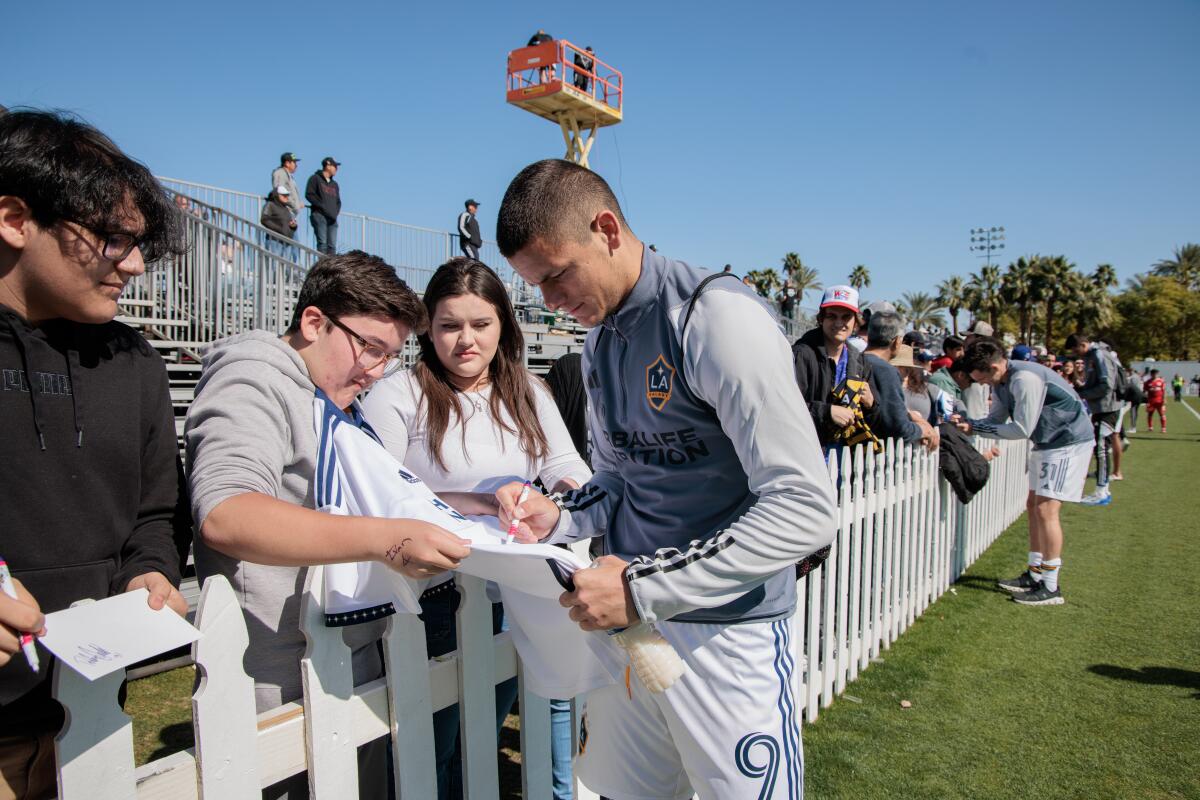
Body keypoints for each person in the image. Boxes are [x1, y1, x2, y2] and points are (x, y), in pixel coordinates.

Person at [493, 158, 836, 800]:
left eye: (558, 274)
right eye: (535, 286)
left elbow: (804, 508)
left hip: (725, 631)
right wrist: (559, 514)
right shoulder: (597, 340)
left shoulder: (714, 316)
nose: (551, 301)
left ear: (608, 229)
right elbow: (620, 475)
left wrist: (644, 587)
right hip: (633, 627)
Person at [186, 251, 471, 799]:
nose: (377, 370)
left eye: (390, 355)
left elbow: (381, 498)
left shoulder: (332, 400)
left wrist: (475, 505)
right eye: (369, 347)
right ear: (314, 323)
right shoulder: (254, 375)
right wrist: (385, 539)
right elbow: (227, 511)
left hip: (340, 661)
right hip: (279, 675)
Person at [0, 109, 192, 800]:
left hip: (90, 727)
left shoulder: (131, 359)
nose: (135, 264)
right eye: (112, 238)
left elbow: (156, 510)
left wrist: (150, 571)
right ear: (15, 218)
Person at [360, 258, 590, 800]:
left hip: (517, 593)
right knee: (428, 742)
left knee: (482, 733)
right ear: (427, 328)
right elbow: (379, 494)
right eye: (449, 325)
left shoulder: (530, 391)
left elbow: (567, 466)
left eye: (481, 324)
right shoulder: (397, 395)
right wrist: (481, 502)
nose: (466, 340)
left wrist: (560, 496)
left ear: (504, 326)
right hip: (431, 592)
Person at [957, 339, 1095, 605]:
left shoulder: (1024, 379)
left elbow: (1021, 429)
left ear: (996, 366)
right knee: (1033, 505)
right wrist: (971, 424)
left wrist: (976, 429)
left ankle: (1051, 587)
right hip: (1049, 442)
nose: (984, 384)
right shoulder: (1002, 380)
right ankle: (1034, 574)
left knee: (1046, 510)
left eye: (984, 378)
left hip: (1068, 442)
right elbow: (996, 420)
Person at [791, 284, 878, 450]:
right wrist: (827, 412)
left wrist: (871, 405)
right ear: (821, 318)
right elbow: (785, 406)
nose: (839, 323)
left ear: (855, 322)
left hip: (845, 462)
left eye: (846, 317)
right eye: (832, 316)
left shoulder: (859, 362)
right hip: (807, 454)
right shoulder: (802, 354)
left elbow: (873, 422)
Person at [863, 310, 938, 451]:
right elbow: (898, 427)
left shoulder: (854, 360)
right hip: (876, 456)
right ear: (897, 341)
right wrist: (922, 430)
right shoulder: (886, 370)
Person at [1065, 333, 1119, 506]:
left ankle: (1101, 491)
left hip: (1108, 407)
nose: (1077, 354)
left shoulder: (1099, 354)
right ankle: (1103, 489)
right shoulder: (1092, 356)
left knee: (1102, 448)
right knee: (1100, 448)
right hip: (1101, 407)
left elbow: (1106, 385)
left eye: (1076, 349)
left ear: (1083, 344)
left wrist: (1083, 394)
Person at [304, 157, 341, 255]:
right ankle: (323, 267)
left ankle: (331, 268)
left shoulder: (335, 184)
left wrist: (335, 212)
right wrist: (322, 206)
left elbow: (338, 201)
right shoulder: (315, 178)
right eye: (335, 166)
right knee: (323, 243)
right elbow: (309, 194)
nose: (336, 169)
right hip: (319, 215)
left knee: (332, 246)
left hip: (332, 219)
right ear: (328, 165)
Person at [260, 186, 298, 255]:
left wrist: (293, 226)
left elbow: (290, 224)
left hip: (286, 242)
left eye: (287, 195)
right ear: (277, 195)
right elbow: (264, 219)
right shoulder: (270, 204)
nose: (286, 197)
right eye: (284, 195)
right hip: (274, 240)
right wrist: (279, 229)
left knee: (286, 265)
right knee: (273, 264)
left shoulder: (286, 208)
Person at [271, 152, 304, 217]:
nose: (296, 165)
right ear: (287, 163)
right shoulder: (281, 173)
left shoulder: (287, 175)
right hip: (285, 211)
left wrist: (297, 203)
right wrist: (294, 204)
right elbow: (279, 192)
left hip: (290, 212)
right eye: (294, 162)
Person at [1144, 368, 1167, 433]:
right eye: (1153, 374)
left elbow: (1164, 391)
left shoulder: (1161, 381)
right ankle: (1150, 427)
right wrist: (1146, 400)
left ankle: (1163, 428)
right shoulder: (1147, 382)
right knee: (1150, 414)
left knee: (1162, 414)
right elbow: (1145, 391)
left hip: (1159, 400)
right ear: (1151, 374)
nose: (1155, 375)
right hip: (1151, 400)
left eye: (1156, 374)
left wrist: (1164, 399)